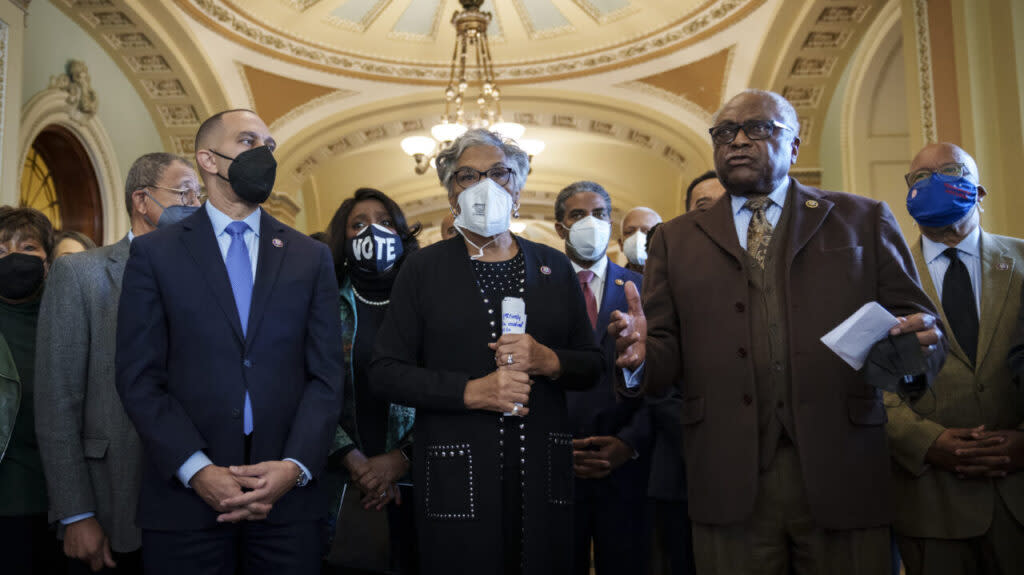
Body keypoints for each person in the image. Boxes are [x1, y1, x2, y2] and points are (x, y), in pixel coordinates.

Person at [610, 89, 946, 574]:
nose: (739, 141)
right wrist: (641, 356)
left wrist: (917, 347)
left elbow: (920, 325)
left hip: (842, 465)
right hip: (727, 473)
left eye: (758, 128)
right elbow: (665, 354)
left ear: (794, 146)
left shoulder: (861, 219)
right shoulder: (677, 239)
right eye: (725, 133)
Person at [115, 109, 344, 574]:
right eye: (247, 141)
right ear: (209, 159)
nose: (263, 154)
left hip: (287, 507)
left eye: (269, 145)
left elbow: (325, 377)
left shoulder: (310, 256)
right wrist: (196, 469)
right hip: (185, 504)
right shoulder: (155, 254)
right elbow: (139, 377)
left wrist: (294, 466)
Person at [370, 129, 602, 575]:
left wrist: (547, 360)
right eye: (467, 176)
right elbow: (385, 372)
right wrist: (470, 391)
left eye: (499, 173)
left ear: (518, 186)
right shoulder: (422, 269)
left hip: (542, 470)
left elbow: (592, 365)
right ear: (452, 194)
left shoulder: (552, 266)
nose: (484, 186)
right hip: (455, 470)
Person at [35, 153, 201, 575]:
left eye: (200, 195)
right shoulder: (81, 274)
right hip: (113, 496)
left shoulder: (208, 278)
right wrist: (75, 514)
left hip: (199, 499)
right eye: (185, 192)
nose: (197, 204)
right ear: (141, 200)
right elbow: (58, 401)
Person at [888, 143, 1024, 574]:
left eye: (949, 171)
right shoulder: (886, 275)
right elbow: (866, 382)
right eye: (920, 179)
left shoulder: (1022, 260)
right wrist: (926, 442)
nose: (933, 183)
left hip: (1019, 490)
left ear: (979, 191)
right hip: (931, 502)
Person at [551, 181, 651, 575]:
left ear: (611, 224)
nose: (589, 222)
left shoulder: (643, 288)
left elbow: (667, 380)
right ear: (560, 227)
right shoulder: (534, 288)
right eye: (577, 215)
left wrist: (629, 443)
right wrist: (555, 446)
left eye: (599, 214)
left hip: (626, 468)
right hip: (556, 467)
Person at [322, 187, 419, 574]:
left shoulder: (424, 301)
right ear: (343, 239)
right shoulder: (324, 302)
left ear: (400, 233)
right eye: (358, 225)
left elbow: (446, 385)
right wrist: (357, 463)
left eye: (383, 222)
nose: (371, 233)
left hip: (419, 478)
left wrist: (400, 460)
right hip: (342, 479)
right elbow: (308, 387)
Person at [0, 206, 64, 574]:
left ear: (48, 260)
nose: (13, 259)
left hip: (59, 505)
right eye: (1, 251)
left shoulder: (68, 317)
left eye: (27, 247)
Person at [618, 207, 661, 274]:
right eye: (630, 232)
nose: (637, 238)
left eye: (647, 231)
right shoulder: (611, 282)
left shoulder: (677, 280)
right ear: (621, 244)